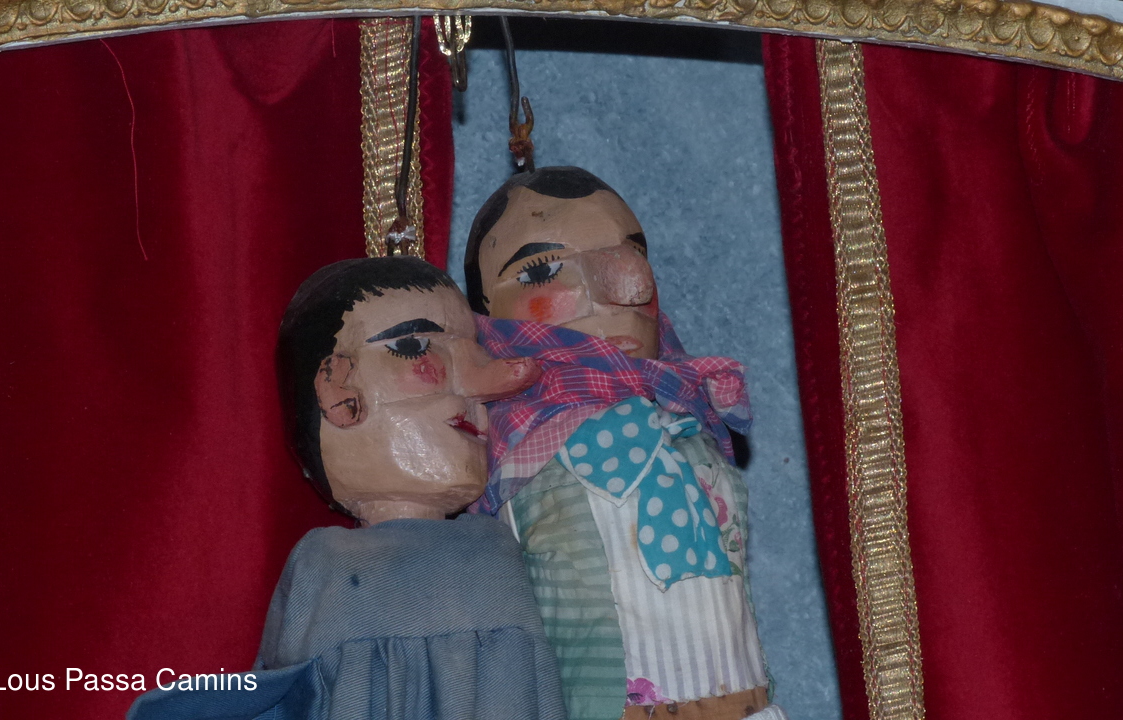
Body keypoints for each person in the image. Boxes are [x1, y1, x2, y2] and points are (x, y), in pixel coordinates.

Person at [128, 257, 565, 720]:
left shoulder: (496, 546)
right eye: (415, 345)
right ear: (336, 392)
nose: (488, 383)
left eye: (475, 350)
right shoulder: (325, 563)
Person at [464, 167, 786, 720]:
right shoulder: (512, 455)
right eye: (542, 270)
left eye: (630, 254)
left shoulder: (692, 421)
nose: (622, 285)